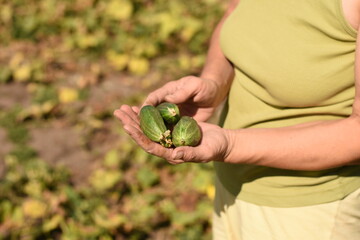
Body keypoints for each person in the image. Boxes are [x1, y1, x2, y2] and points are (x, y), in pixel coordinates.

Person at [114, 0, 360, 239]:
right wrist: (214, 82)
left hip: (311, 213)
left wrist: (231, 145)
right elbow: (236, 13)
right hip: (232, 187)